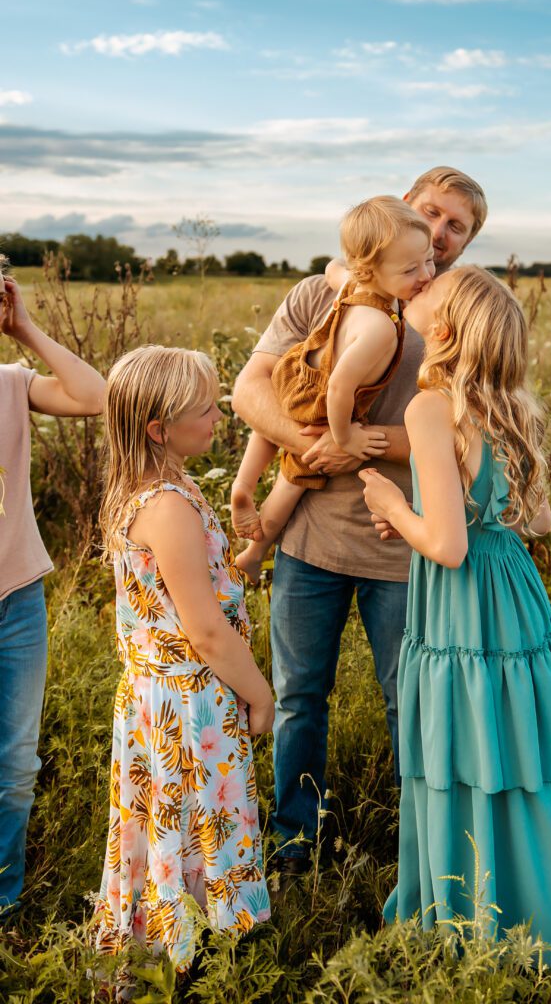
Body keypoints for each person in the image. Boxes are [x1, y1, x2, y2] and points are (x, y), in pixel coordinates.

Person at [230, 167, 488, 871]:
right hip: (311, 539)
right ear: (401, 210)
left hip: (403, 544)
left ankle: (422, 849)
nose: (438, 233)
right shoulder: (323, 291)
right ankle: (294, 840)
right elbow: (250, 391)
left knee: (409, 702)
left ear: (468, 241)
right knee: (297, 697)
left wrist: (376, 445)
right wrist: (317, 444)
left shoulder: (460, 311)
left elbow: (476, 430)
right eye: (430, 213)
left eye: (455, 225)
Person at [360, 266, 551, 973]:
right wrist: (428, 518)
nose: (419, 294)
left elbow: (449, 549)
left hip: (462, 607)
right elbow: (531, 519)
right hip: (514, 594)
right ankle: (540, 919)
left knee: (461, 746)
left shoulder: (431, 408)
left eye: (433, 297)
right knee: (516, 752)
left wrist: (393, 507)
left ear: (447, 329)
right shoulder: (516, 404)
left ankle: (467, 921)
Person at [93, 346, 273, 972]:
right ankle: (187, 951)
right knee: (191, 813)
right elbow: (204, 632)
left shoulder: (159, 489)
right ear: (157, 429)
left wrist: (246, 558)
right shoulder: (168, 506)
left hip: (157, 694)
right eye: (205, 409)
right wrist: (262, 692)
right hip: (188, 699)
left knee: (174, 817)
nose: (219, 416)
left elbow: (186, 590)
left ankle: (175, 938)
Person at [231, 196, 434, 585]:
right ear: (371, 269)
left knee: (271, 430)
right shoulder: (380, 326)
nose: (425, 274)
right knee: (295, 477)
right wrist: (344, 437)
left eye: (428, 261)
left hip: (298, 371)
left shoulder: (352, 285)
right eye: (410, 268)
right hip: (324, 394)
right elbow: (340, 385)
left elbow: (330, 269)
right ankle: (256, 550)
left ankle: (243, 485)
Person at [0, 267, 105, 914]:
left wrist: (26, 328)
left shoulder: (10, 386)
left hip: (17, 599)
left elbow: (94, 395)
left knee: (14, 764)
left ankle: (5, 901)